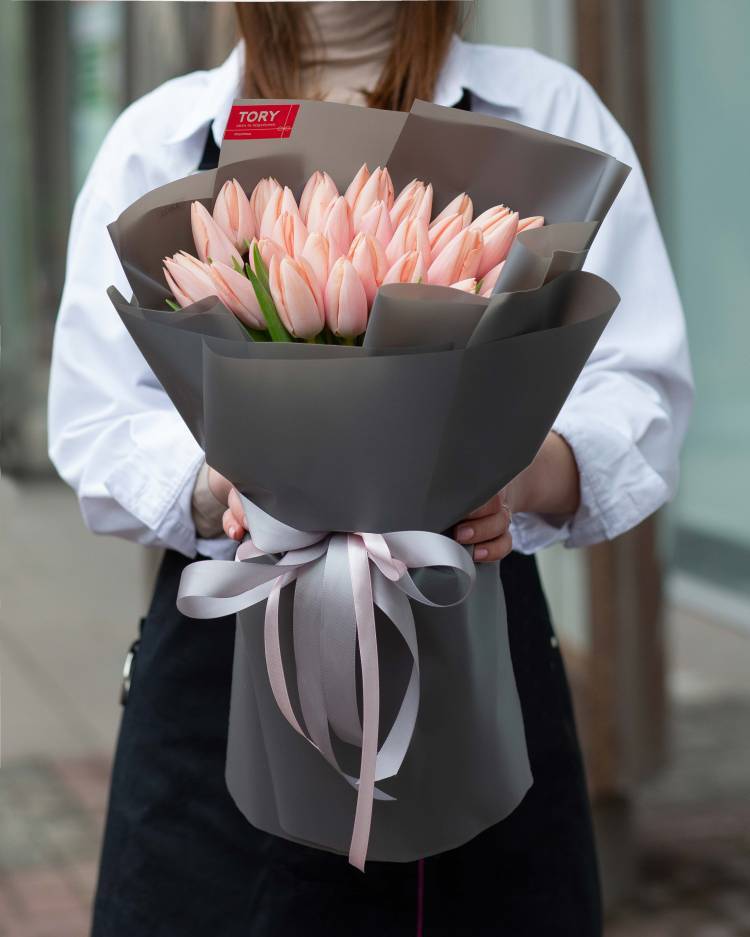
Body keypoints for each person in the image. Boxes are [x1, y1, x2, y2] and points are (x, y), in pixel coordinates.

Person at [48, 2, 692, 935]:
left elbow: (639, 384)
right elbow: (97, 414)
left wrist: (521, 472)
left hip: (472, 621)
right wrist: (225, 483)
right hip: (223, 671)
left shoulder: (545, 109)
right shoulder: (161, 136)